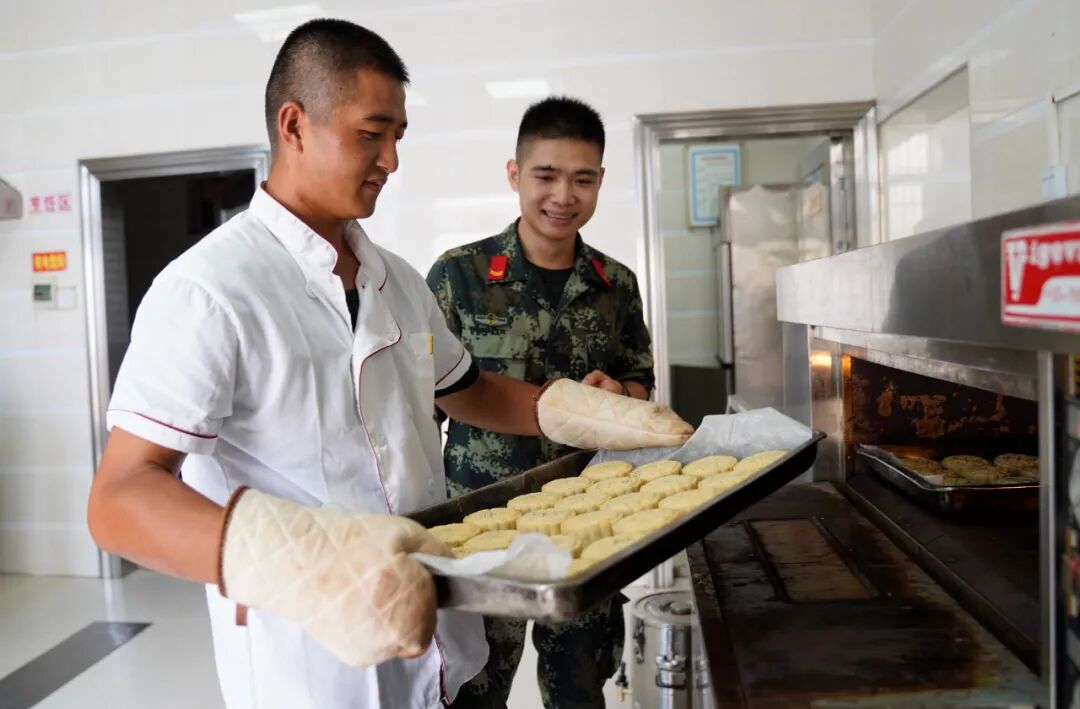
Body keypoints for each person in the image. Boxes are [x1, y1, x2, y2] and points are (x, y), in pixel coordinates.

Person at [86, 19, 692, 709]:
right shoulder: (210, 289)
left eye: (398, 135)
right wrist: (304, 561)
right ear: (294, 125)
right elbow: (120, 498)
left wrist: (573, 410)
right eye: (372, 134)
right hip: (316, 667)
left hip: (441, 651)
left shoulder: (396, 280)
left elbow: (470, 390)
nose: (391, 161)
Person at [427, 97, 655, 709]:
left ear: (600, 181)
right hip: (484, 526)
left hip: (590, 521)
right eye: (546, 176)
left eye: (582, 179)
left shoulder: (616, 284)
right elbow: (423, 406)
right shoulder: (458, 276)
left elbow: (641, 385)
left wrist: (620, 395)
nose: (563, 196)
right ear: (514, 174)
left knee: (579, 689)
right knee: (474, 690)